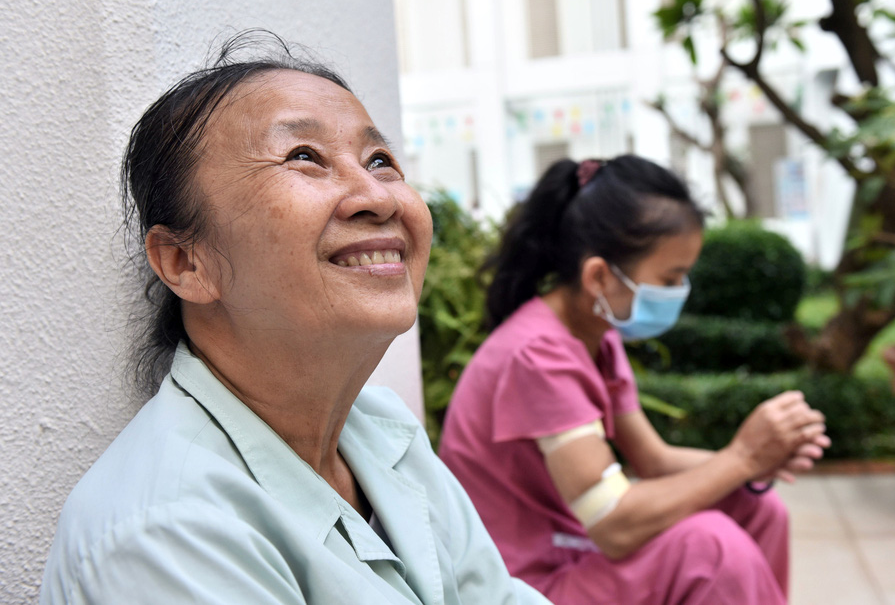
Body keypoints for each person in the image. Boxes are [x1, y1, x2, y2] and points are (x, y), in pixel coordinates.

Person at [40, 32, 550, 605]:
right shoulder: (167, 533)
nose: (376, 198)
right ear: (187, 263)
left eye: (380, 161)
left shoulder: (383, 435)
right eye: (303, 157)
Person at [438, 156, 831, 605]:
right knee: (710, 546)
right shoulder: (537, 355)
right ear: (599, 276)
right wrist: (741, 457)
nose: (680, 291)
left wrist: (758, 460)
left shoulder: (596, 337)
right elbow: (613, 523)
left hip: (571, 555)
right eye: (670, 278)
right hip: (522, 585)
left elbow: (653, 460)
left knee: (756, 506)